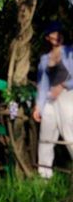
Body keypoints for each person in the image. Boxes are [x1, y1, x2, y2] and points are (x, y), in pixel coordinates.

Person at [33, 20, 73, 178]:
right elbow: (42, 84)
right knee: (45, 139)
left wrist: (62, 86)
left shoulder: (70, 52)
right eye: (53, 34)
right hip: (49, 100)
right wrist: (38, 106)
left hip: (67, 96)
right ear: (47, 38)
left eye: (59, 33)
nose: (57, 36)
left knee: (70, 135)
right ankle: (44, 178)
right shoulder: (44, 59)